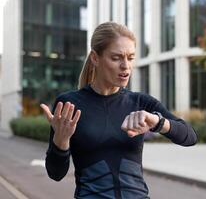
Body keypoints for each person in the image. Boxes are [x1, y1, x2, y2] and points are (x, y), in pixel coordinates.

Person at [40, 22, 197, 199]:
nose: (125, 66)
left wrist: (158, 122)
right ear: (95, 58)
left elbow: (190, 137)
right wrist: (61, 142)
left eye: (130, 58)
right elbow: (55, 174)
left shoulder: (141, 102)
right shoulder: (69, 104)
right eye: (116, 58)